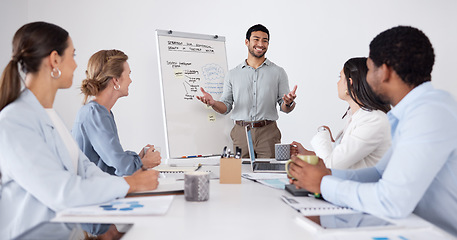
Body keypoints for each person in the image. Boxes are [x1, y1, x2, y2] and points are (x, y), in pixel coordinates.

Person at [288, 26, 457, 236]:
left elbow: (391, 201)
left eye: (369, 69)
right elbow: (379, 173)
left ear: (384, 71)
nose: (366, 79)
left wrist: (323, 183)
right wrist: (328, 174)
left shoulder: (429, 114)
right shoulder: (417, 110)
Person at [0, 22, 159, 239]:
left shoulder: (50, 116)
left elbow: (86, 169)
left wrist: (131, 183)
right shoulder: (13, 121)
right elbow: (62, 192)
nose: (76, 65)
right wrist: (129, 183)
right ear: (55, 59)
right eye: (72, 55)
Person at [196, 24, 297, 158]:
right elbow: (225, 107)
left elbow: (284, 108)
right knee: (237, 175)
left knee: (269, 174)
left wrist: (288, 103)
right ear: (247, 42)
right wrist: (213, 103)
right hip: (240, 133)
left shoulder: (278, 72)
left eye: (265, 40)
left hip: (268, 133)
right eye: (256, 39)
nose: (260, 44)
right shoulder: (233, 74)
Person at [72, 49, 161, 176]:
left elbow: (111, 164)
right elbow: (122, 167)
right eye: (129, 75)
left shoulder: (104, 112)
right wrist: (143, 163)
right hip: (95, 190)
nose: (130, 80)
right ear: (116, 80)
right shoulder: (94, 114)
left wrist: (138, 159)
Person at [291, 57, 391, 169]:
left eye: (340, 77)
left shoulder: (373, 120)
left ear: (350, 83)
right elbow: (341, 156)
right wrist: (309, 154)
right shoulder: (357, 116)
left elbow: (331, 166)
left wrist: (322, 133)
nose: (337, 83)